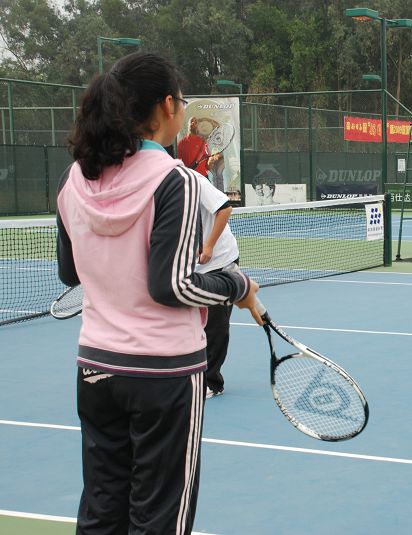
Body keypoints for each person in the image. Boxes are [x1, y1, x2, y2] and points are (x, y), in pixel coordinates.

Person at [57, 51, 262, 534]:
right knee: (160, 518)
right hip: (164, 376)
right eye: (182, 100)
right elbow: (173, 285)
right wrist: (237, 283)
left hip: (96, 367)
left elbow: (70, 273)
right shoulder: (176, 181)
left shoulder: (74, 178)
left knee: (101, 511)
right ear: (168, 105)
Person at [195, 173, 239, 399]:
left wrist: (208, 246)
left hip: (220, 261)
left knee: (215, 326)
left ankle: (210, 382)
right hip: (187, 269)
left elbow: (225, 208)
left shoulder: (194, 180)